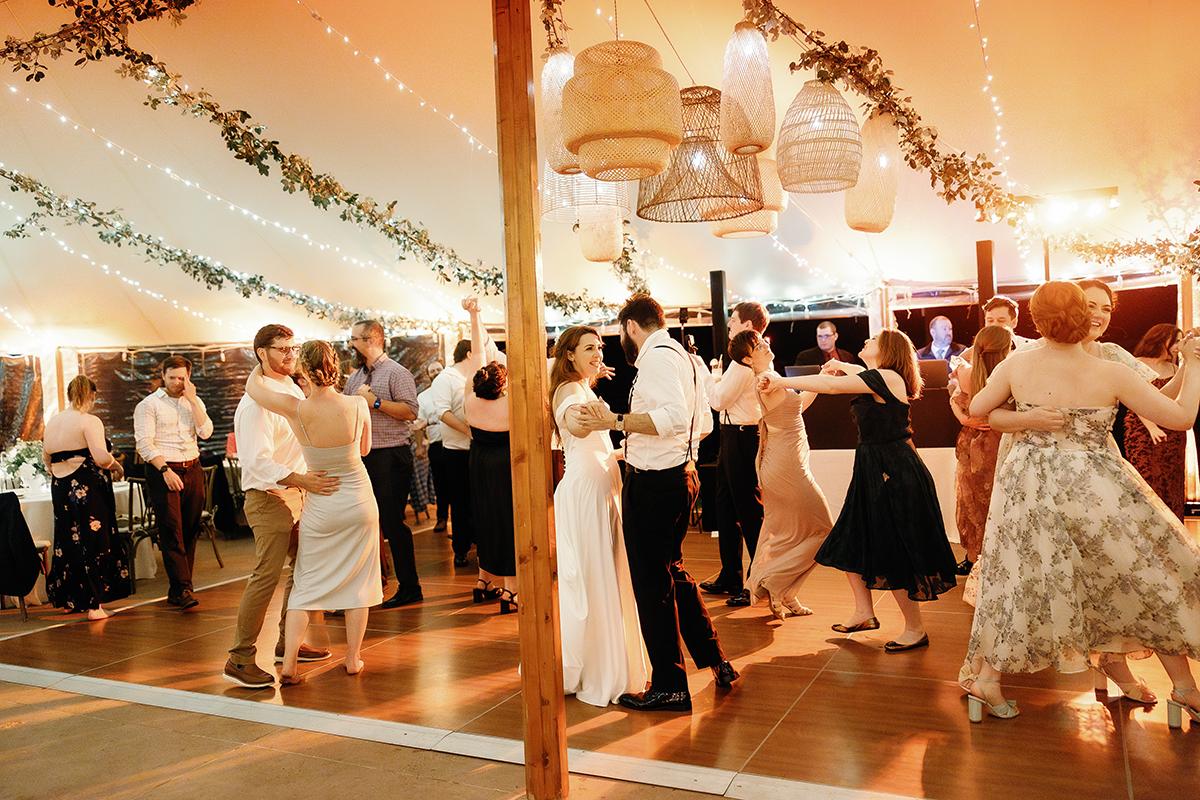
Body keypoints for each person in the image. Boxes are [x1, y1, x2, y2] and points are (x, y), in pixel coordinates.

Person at [962, 282, 1200, 725]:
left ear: (1035, 319)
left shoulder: (1019, 363)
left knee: (1022, 578)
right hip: (1093, 484)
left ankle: (988, 678)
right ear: (1079, 317)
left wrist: (1023, 418)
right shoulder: (1108, 373)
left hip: (1028, 484)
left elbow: (978, 407)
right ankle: (1183, 686)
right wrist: (1198, 364)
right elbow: (1181, 416)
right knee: (1145, 570)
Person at [573, 294, 738, 713]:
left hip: (657, 485)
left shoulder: (659, 359)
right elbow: (700, 424)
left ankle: (670, 686)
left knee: (653, 587)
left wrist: (615, 422)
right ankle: (715, 658)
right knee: (673, 573)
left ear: (630, 326)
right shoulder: (683, 356)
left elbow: (675, 420)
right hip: (678, 475)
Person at [761, 330, 957, 652]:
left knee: (893, 549)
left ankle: (915, 629)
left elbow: (836, 386)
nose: (865, 341)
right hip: (872, 469)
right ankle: (864, 612)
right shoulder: (876, 376)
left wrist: (782, 381)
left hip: (893, 472)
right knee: (852, 537)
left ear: (888, 351)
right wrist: (834, 366)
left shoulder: (889, 377)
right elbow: (847, 374)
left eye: (874, 340)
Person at [246, 340, 383, 684]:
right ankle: (353, 659)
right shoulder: (357, 404)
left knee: (306, 585)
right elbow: (365, 449)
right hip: (357, 499)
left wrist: (261, 359)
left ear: (304, 370)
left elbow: (254, 388)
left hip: (320, 503)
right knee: (359, 584)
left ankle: (289, 665)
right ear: (335, 366)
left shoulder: (296, 409)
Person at [223, 324, 336, 690]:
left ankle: (288, 643)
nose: (291, 355)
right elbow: (257, 463)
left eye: (293, 347)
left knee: (302, 572)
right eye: (282, 349)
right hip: (270, 498)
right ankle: (239, 658)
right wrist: (303, 481)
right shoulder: (255, 404)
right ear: (261, 353)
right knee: (265, 577)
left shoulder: (287, 386)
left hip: (297, 495)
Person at [549, 325, 648, 706]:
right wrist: (587, 413)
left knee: (603, 571)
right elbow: (572, 419)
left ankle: (603, 660)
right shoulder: (570, 393)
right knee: (591, 578)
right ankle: (592, 666)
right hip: (586, 491)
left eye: (600, 348)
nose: (598, 354)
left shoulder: (582, 387)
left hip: (602, 484)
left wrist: (590, 378)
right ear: (569, 355)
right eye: (589, 348)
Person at [734, 331, 833, 621]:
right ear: (747, 359)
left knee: (796, 531)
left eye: (764, 341)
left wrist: (822, 375)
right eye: (758, 346)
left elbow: (797, 407)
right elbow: (786, 398)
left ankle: (786, 592)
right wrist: (821, 378)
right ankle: (776, 582)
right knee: (823, 530)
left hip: (786, 461)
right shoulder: (765, 380)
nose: (766, 344)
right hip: (786, 466)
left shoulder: (772, 377)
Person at [344, 319, 423, 609]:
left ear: (372, 339)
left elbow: (410, 412)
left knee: (391, 521)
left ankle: (410, 586)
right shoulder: (355, 377)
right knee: (366, 523)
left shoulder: (396, 373)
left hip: (391, 455)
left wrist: (376, 402)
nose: (350, 344)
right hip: (363, 456)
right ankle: (371, 586)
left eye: (354, 339)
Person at [42, 376, 130, 620]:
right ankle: (94, 605)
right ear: (91, 395)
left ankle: (72, 598)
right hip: (86, 486)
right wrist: (116, 466)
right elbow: (101, 457)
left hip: (60, 486)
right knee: (93, 539)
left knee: (67, 539)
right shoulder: (89, 421)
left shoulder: (54, 421)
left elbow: (46, 458)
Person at [700, 301, 768, 608]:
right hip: (732, 436)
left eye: (733, 322)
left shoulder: (745, 361)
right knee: (726, 508)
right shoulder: (743, 358)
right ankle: (731, 574)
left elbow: (717, 400)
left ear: (749, 326)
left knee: (748, 511)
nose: (729, 327)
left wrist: (704, 373)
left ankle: (758, 582)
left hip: (742, 437)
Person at [133, 355, 213, 610]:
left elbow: (206, 432)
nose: (177, 382)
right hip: (164, 468)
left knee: (190, 529)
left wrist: (192, 400)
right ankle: (183, 588)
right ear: (163, 376)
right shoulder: (148, 405)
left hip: (193, 466)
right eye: (172, 378)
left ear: (189, 378)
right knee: (171, 530)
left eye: (182, 378)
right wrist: (165, 470)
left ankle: (180, 587)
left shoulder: (194, 401)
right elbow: (144, 443)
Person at [462, 300, 518, 612]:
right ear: (504, 384)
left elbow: (479, 354)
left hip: (477, 462)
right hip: (504, 465)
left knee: (485, 520)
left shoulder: (470, 398)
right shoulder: (509, 406)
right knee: (506, 522)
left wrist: (474, 317)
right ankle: (511, 589)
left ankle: (484, 579)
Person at [948, 325, 1011, 577]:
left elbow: (954, 399)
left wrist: (964, 419)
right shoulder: (1008, 373)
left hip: (973, 440)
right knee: (1002, 499)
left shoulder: (965, 372)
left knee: (971, 500)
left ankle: (975, 559)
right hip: (1002, 439)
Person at [427, 338, 481, 567]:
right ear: (469, 354)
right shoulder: (445, 379)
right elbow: (443, 413)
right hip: (456, 450)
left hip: (478, 449)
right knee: (459, 502)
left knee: (479, 501)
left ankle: (481, 545)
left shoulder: (475, 375)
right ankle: (460, 549)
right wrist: (468, 431)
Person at [1125, 324, 1185, 519]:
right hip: (1141, 429)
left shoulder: (1175, 368)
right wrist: (1151, 427)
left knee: (1171, 479)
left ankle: (1175, 530)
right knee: (1146, 478)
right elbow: (1133, 398)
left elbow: (1173, 400)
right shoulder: (1136, 363)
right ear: (1161, 339)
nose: (1177, 346)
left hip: (1171, 430)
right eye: (1175, 341)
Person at [417, 361, 450, 533]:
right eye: (432, 370)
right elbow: (419, 423)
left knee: (458, 483)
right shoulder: (423, 397)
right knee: (440, 483)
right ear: (428, 375)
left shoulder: (453, 390)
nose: (436, 372)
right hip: (437, 444)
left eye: (438, 369)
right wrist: (420, 446)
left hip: (456, 443)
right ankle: (442, 517)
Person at [793, 321, 858, 367]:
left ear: (835, 336)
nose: (823, 340)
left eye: (827, 336)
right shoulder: (805, 357)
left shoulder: (848, 356)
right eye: (820, 336)